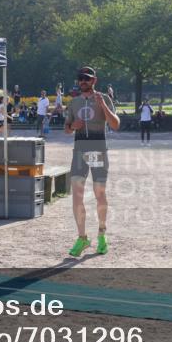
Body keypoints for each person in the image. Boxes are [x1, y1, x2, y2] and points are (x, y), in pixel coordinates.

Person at [65, 66, 120, 257]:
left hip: (97, 149)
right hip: (79, 149)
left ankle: (102, 234)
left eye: (87, 79)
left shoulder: (104, 98)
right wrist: (73, 126)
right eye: (80, 78)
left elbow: (115, 125)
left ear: (94, 80)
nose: (83, 81)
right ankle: (82, 238)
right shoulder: (74, 102)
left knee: (99, 193)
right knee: (77, 195)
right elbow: (67, 129)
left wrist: (103, 105)